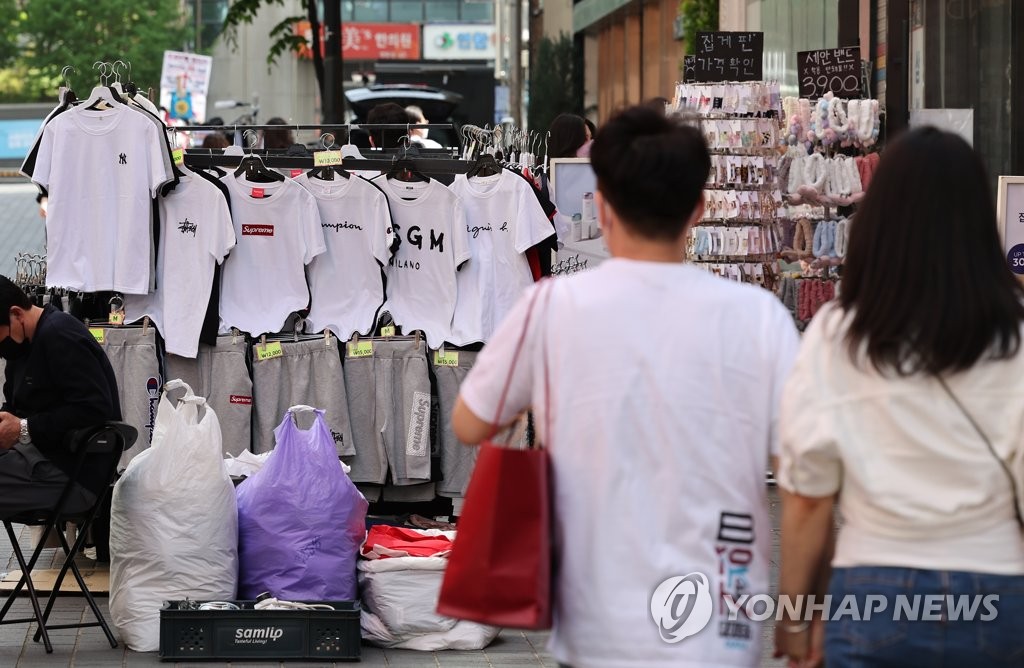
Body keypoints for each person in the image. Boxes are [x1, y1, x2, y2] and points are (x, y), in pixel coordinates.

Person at [452, 105, 800, 666]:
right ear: (700, 209)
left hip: (595, 622)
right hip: (721, 620)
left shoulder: (552, 306)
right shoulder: (758, 316)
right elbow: (800, 474)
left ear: (603, 206)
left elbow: (470, 421)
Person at [776, 127, 1024, 667]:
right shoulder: (1013, 335)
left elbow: (807, 496)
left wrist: (798, 616)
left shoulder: (838, 334)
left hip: (873, 590)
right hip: (997, 594)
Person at [0, 276, 121, 516]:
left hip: (74, 474)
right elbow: (16, 409)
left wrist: (24, 428)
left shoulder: (59, 334)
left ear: (16, 314)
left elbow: (95, 409)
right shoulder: (22, 348)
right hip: (40, 460)